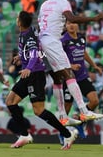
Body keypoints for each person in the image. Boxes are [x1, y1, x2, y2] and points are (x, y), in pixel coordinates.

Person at [4, 11, 78, 149]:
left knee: (38, 111)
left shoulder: (28, 36)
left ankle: (67, 134)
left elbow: (33, 53)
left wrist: (29, 68)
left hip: (35, 75)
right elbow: (34, 49)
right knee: (10, 101)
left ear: (20, 22)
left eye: (17, 18)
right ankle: (24, 135)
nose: (16, 20)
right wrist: (21, 56)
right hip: (29, 75)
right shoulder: (28, 31)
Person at [38, 0, 103, 123]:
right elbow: (72, 18)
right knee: (69, 74)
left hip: (42, 41)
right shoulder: (62, 2)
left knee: (57, 78)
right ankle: (84, 111)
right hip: (52, 41)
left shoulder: (44, 5)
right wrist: (93, 18)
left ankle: (63, 116)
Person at [61, 20, 103, 136]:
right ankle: (62, 131)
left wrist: (94, 65)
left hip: (82, 75)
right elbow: (57, 58)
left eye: (73, 23)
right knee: (67, 106)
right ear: (65, 26)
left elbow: (83, 52)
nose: (71, 25)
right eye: (68, 23)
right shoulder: (63, 41)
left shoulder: (81, 38)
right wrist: (70, 66)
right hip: (68, 77)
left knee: (94, 101)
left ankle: (80, 119)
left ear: (77, 25)